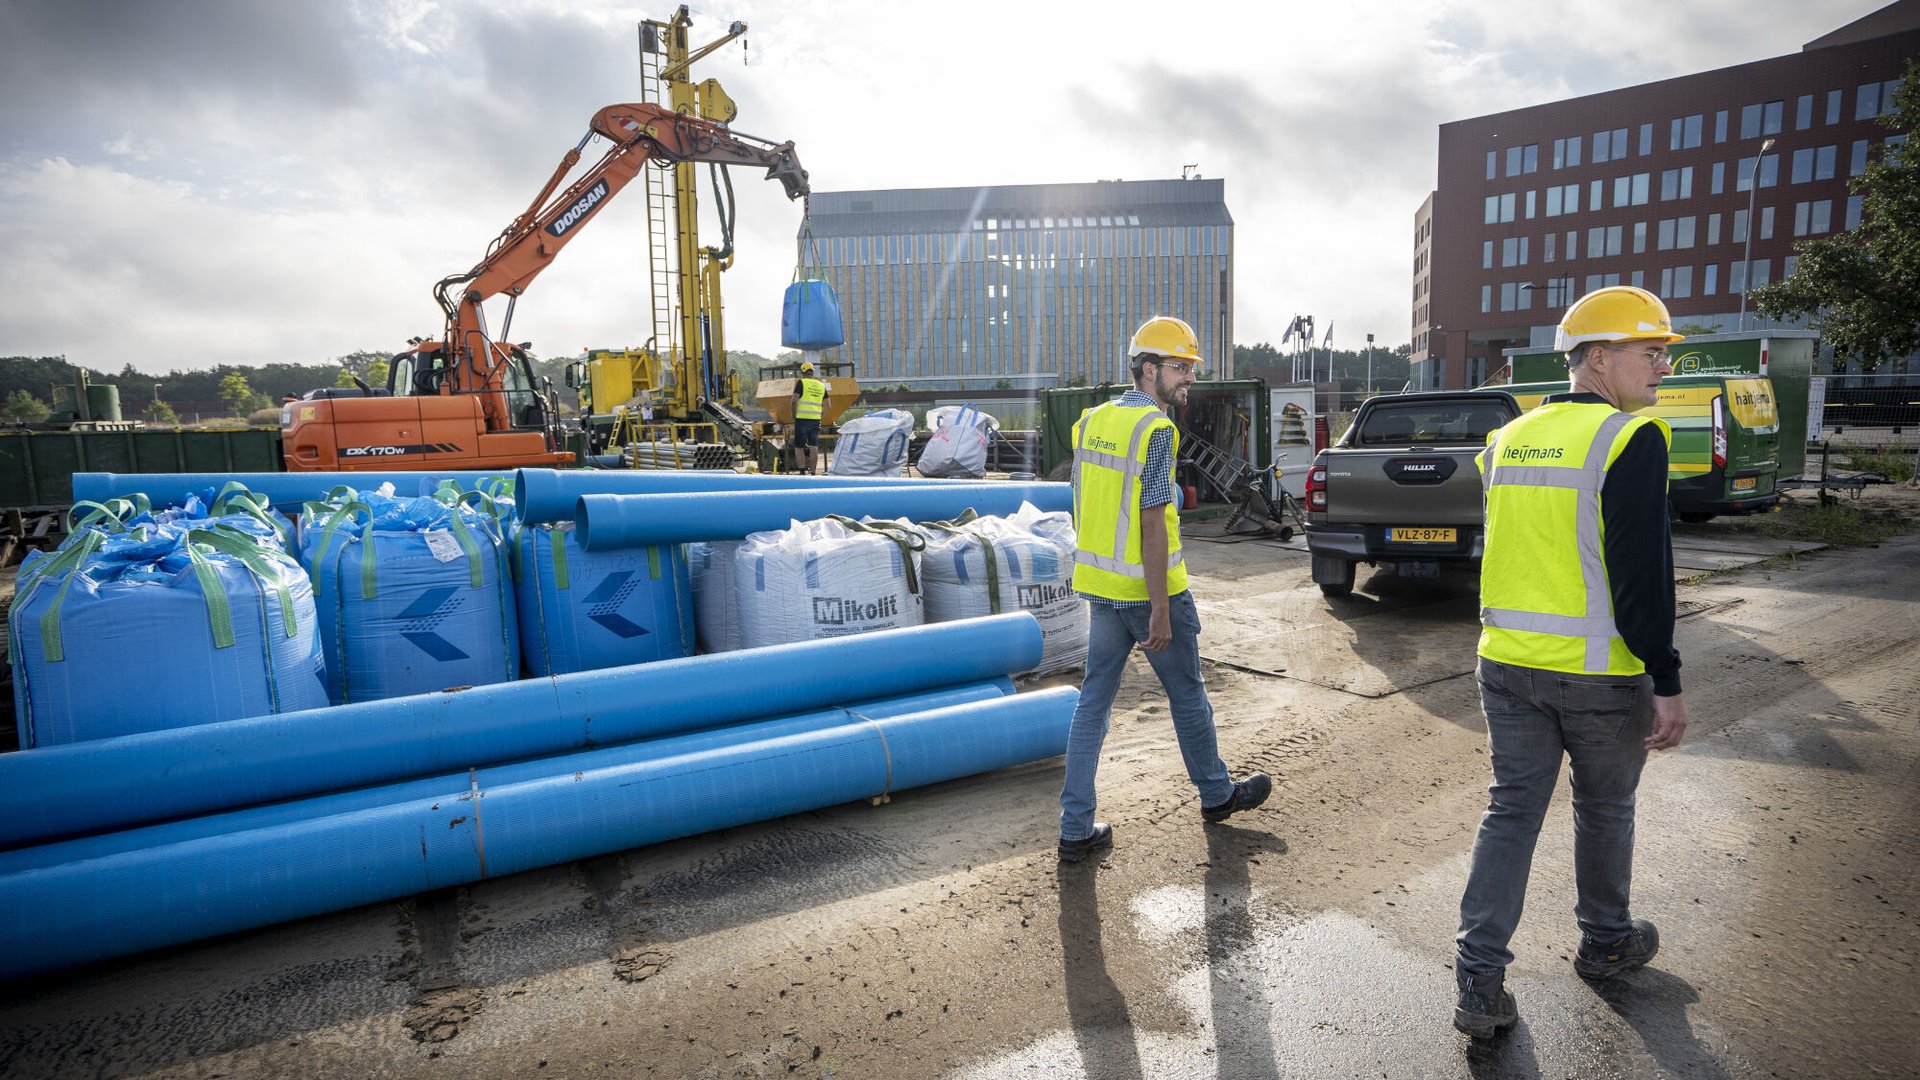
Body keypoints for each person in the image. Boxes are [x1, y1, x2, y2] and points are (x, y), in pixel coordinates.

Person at [1452, 285, 1692, 1039]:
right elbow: (1640, 576)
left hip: (1506, 663)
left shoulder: (1510, 437)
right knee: (1606, 806)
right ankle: (1606, 940)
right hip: (1599, 671)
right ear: (1597, 359)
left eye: (1663, 354)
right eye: (1649, 353)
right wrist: (1667, 677)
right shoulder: (1628, 439)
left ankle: (1478, 984)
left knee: (1511, 813)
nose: (1662, 367)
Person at [1057, 315, 1272, 864]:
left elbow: (1084, 503)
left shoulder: (1090, 423)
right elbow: (1153, 521)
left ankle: (1075, 827)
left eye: (1191, 369)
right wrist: (1158, 608)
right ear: (1148, 369)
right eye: (1180, 368)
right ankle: (1217, 795)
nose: (1188, 380)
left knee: (1093, 705)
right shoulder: (1155, 432)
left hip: (1101, 590)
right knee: (1188, 695)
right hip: (1150, 593)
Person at [791, 360, 826, 474]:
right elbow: (828, 405)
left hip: (801, 420)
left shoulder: (801, 383)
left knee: (799, 447)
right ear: (812, 372)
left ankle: (802, 472)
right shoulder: (821, 385)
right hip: (815, 420)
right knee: (813, 446)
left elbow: (793, 402)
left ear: (802, 372)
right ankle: (813, 472)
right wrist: (819, 415)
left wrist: (793, 417)